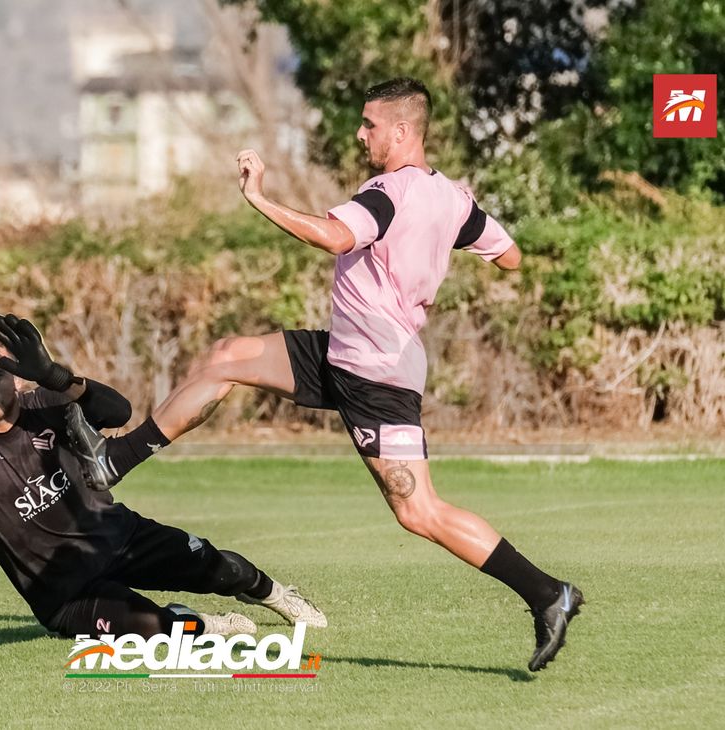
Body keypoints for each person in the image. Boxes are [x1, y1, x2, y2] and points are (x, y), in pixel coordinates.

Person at [65, 77, 583, 671]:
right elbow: (510, 254)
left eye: (369, 124)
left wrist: (259, 197)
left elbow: (335, 235)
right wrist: (432, 255)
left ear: (401, 130)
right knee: (226, 356)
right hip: (345, 351)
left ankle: (549, 594)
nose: (360, 133)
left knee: (420, 512)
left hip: (377, 375)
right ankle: (114, 461)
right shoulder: (454, 199)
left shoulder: (388, 192)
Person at [0, 315, 326, 640]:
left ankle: (278, 596)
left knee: (227, 570)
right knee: (158, 630)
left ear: (17, 376)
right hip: (66, 594)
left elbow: (118, 412)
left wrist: (56, 376)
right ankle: (205, 623)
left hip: (121, 539)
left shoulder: (45, 403)